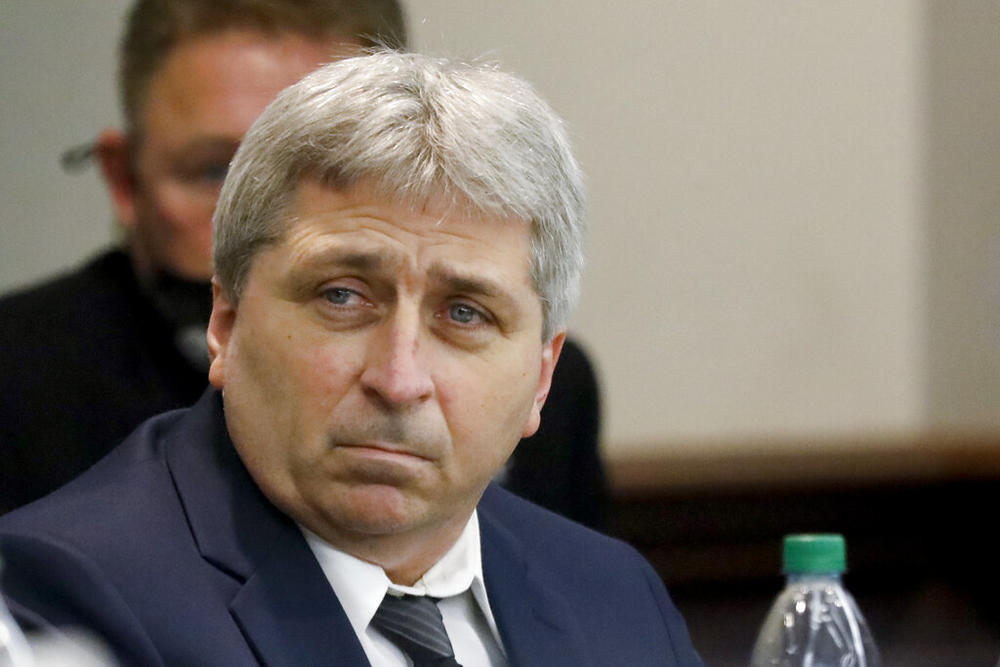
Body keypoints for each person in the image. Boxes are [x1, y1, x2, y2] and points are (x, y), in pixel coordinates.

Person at [0, 51, 701, 666]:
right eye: (342, 296)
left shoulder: (615, 594)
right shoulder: (69, 593)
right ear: (227, 320)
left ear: (542, 377)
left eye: (465, 313)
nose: (399, 381)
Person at [0, 0, 606, 525]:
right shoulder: (20, 377)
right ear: (124, 179)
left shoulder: (535, 384)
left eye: (328, 172)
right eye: (217, 171)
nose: (260, 217)